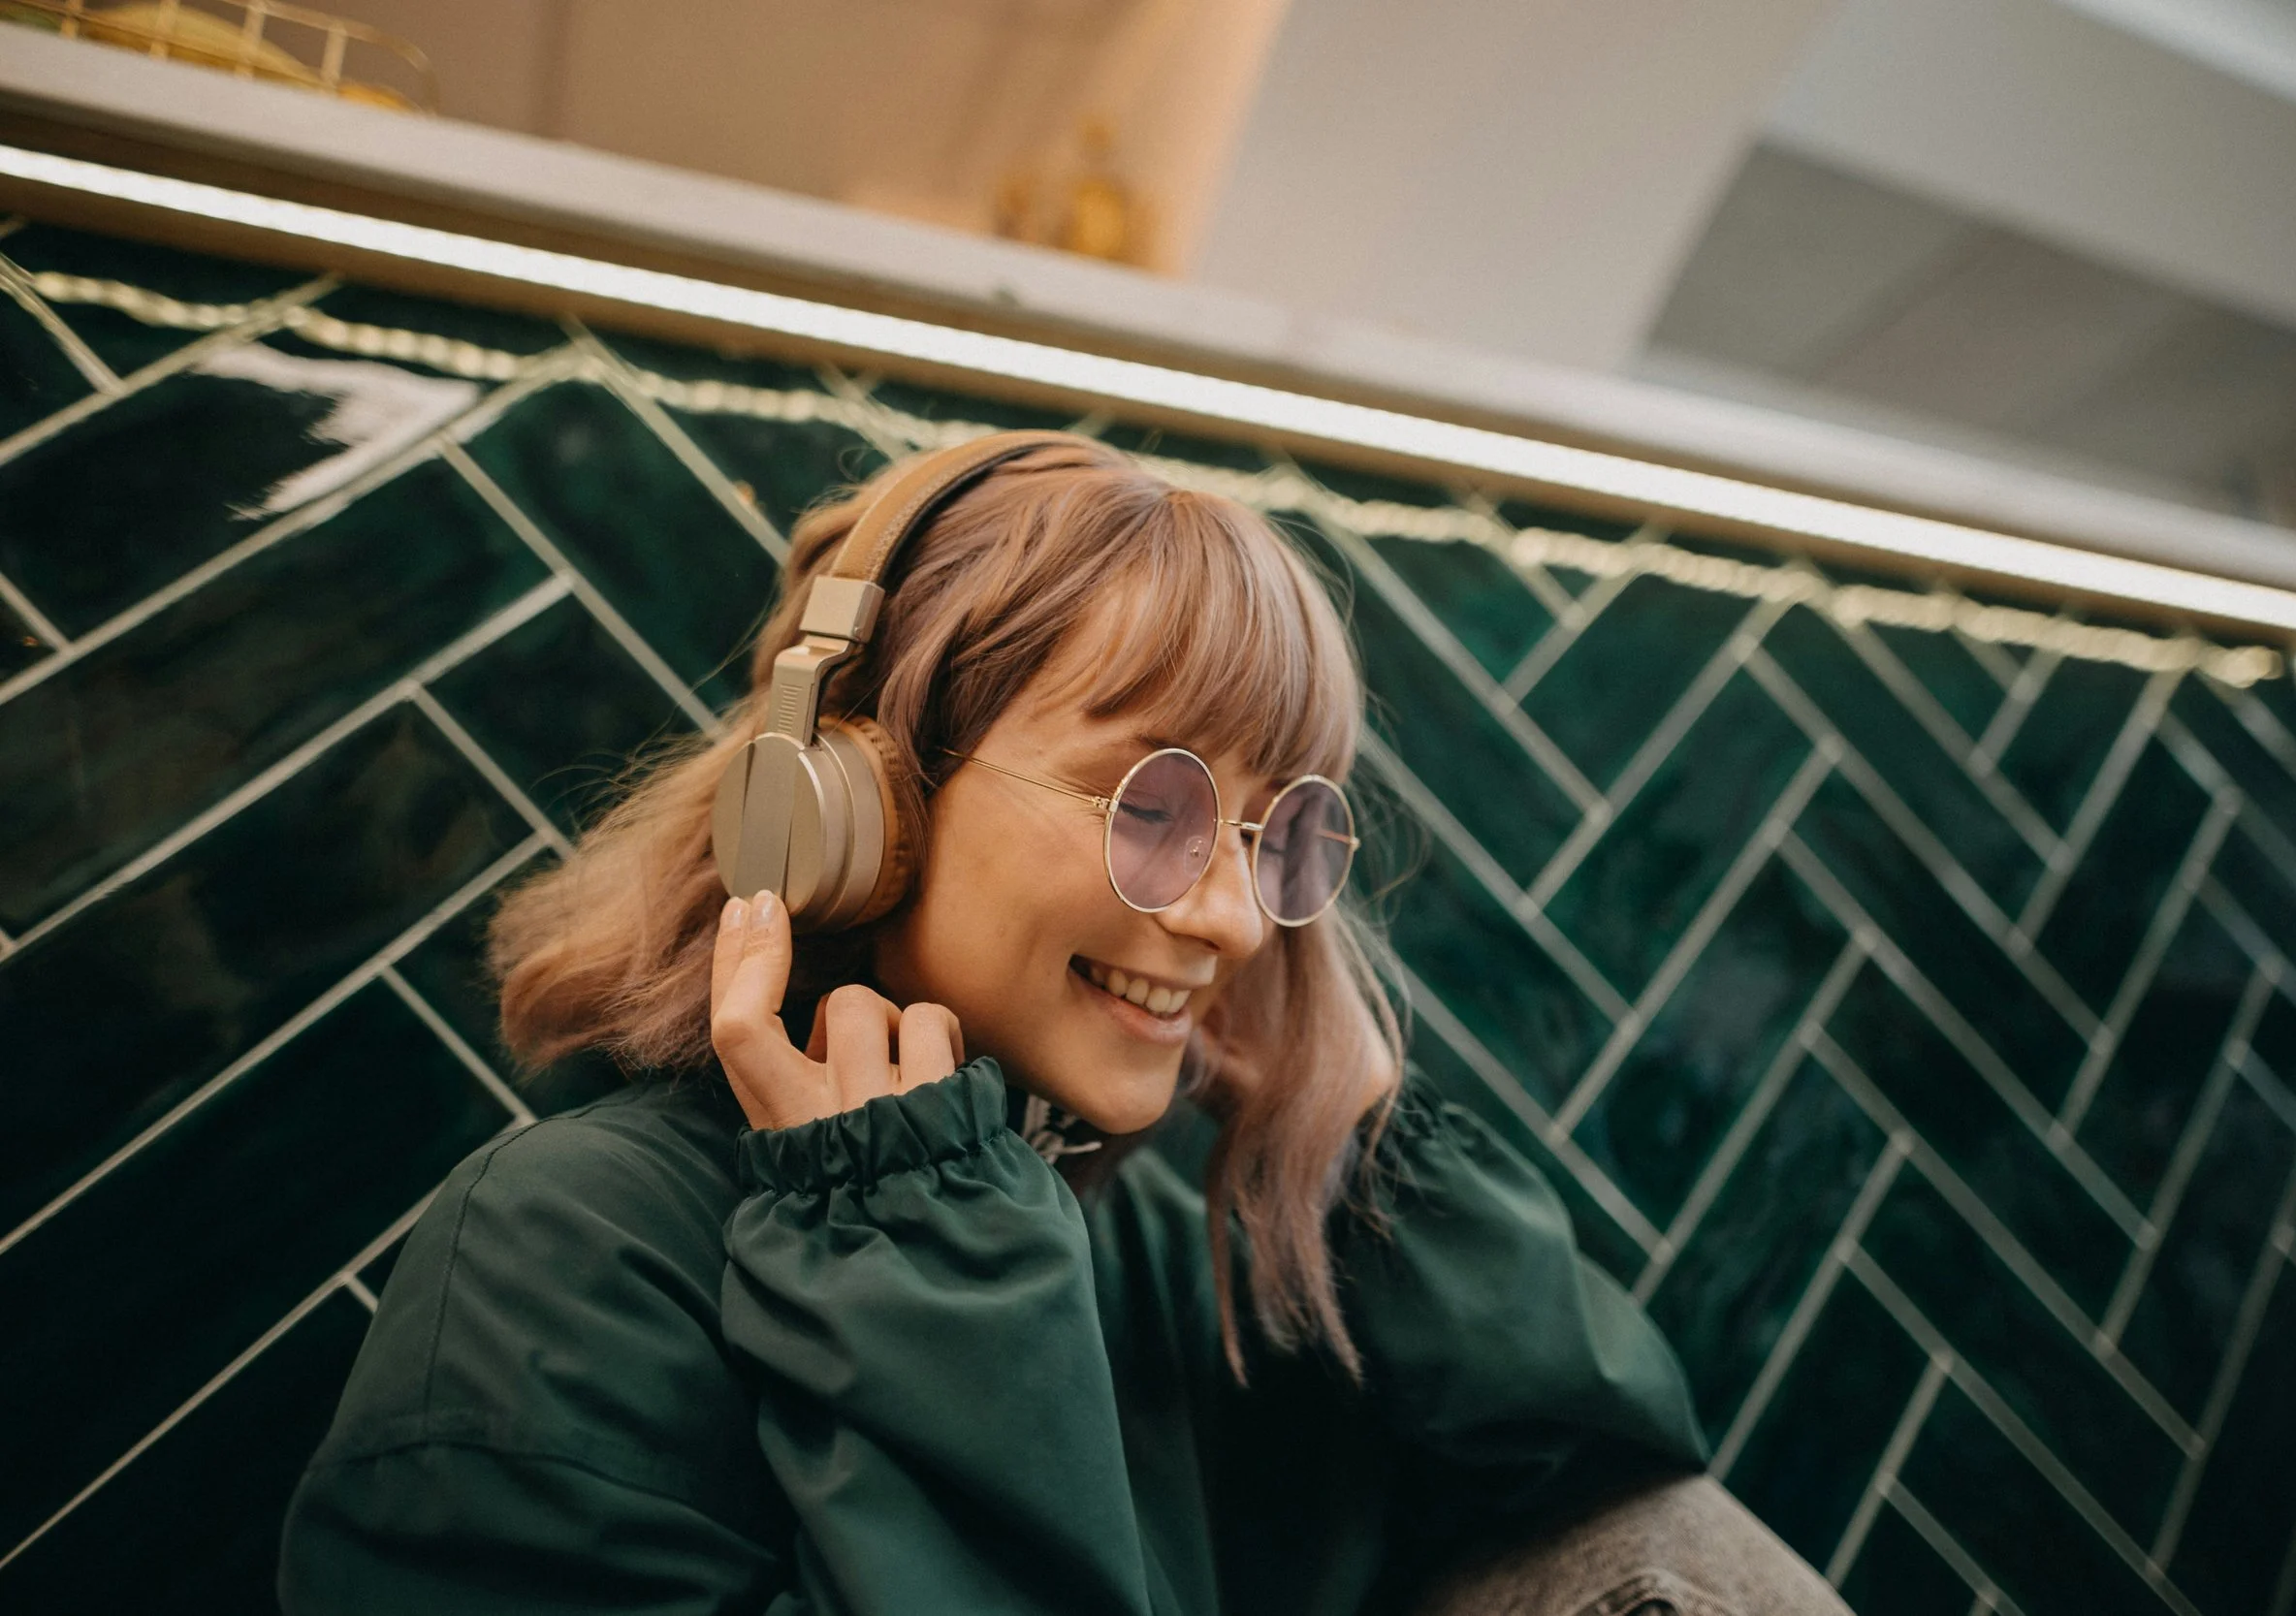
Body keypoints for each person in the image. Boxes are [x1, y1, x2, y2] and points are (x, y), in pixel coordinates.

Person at [278, 432, 1845, 1615]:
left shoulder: (1160, 1232)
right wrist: (918, 1266)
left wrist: (1368, 1163)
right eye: (1151, 802)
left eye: (1274, 829)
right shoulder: (567, 1257)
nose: (1235, 916)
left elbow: (1606, 1486)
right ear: (855, 800)